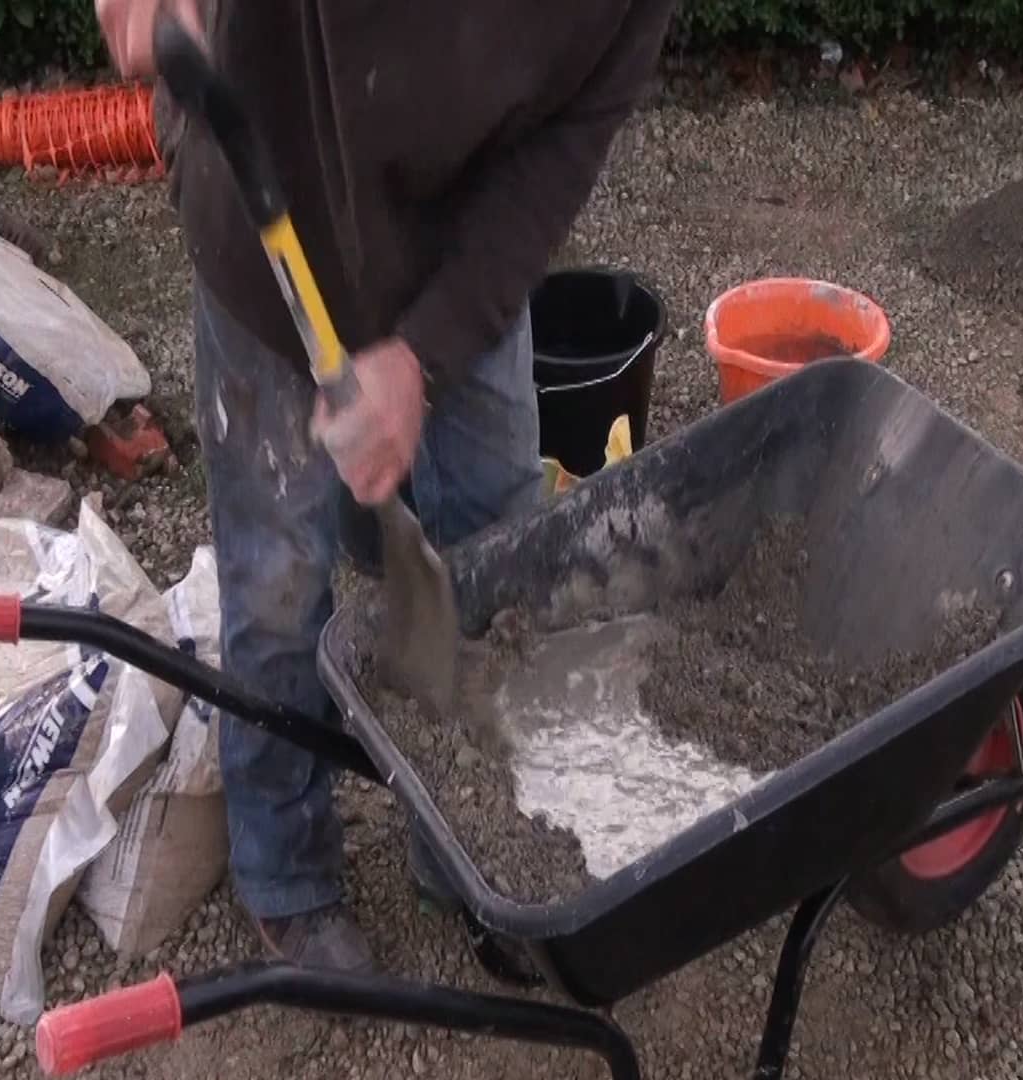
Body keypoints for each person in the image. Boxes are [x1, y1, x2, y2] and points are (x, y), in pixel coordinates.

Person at [96, 0, 678, 972]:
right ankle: (285, 872)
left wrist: (425, 354)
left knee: (497, 563)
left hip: (459, 259)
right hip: (268, 224)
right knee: (277, 586)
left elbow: (555, 162)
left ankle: (465, 846)